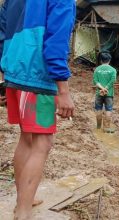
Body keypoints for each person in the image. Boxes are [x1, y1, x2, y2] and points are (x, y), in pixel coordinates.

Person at [0, 0, 75, 219]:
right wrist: (63, 89)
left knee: (27, 138)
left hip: (14, 73)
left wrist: (4, 77)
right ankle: (22, 212)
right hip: (38, 79)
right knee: (43, 142)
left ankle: (24, 199)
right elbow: (57, 41)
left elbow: (2, 36)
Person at [93, 52, 117, 133]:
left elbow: (95, 81)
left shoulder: (97, 69)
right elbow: (113, 80)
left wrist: (102, 88)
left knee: (98, 109)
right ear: (109, 60)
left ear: (101, 60)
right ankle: (106, 128)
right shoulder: (113, 70)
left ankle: (98, 127)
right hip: (109, 94)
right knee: (108, 110)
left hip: (99, 93)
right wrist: (106, 88)